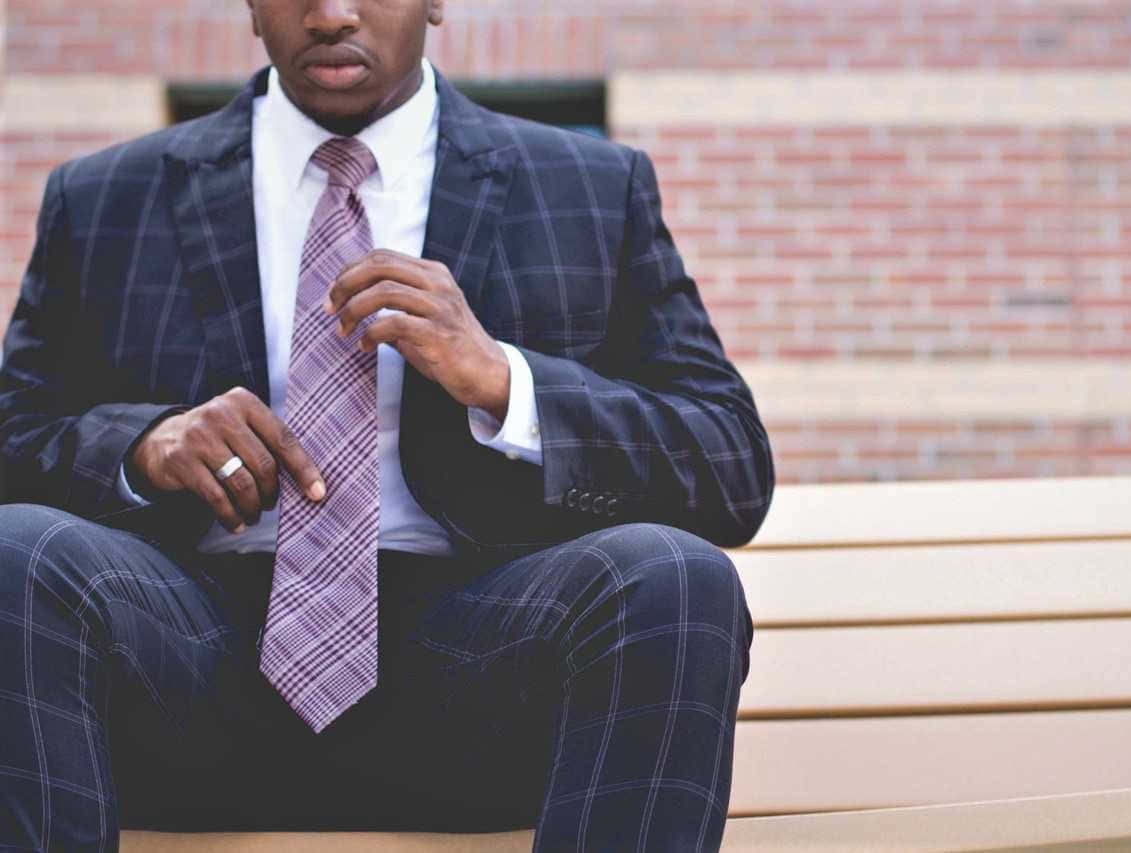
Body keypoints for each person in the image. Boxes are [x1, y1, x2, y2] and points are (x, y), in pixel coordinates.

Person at [0, 1, 773, 850]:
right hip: (181, 667)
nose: (332, 14)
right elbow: (13, 438)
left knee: (673, 575)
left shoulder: (588, 186)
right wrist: (141, 448)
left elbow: (729, 462)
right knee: (18, 550)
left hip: (481, 671)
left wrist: (505, 382)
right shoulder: (105, 196)